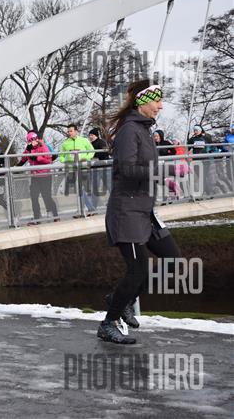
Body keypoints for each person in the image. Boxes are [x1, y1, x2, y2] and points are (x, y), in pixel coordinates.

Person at [99, 81, 182, 344]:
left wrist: (164, 181)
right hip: (127, 212)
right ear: (142, 102)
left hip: (145, 210)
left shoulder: (145, 130)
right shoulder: (129, 130)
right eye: (157, 101)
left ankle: (121, 298)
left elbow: (143, 169)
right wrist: (168, 170)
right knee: (138, 269)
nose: (161, 106)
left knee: (173, 260)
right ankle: (108, 323)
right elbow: (127, 170)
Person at [17, 131, 58, 224]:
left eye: (34, 139)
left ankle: (56, 215)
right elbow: (23, 159)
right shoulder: (28, 148)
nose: (33, 142)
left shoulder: (43, 146)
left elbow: (49, 160)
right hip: (35, 177)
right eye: (30, 141)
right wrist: (16, 167)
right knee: (34, 197)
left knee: (46, 197)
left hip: (45, 176)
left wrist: (37, 158)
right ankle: (37, 218)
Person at [59, 124, 96, 215]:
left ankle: (88, 209)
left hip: (83, 167)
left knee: (85, 189)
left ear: (76, 131)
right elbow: (61, 156)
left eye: (71, 131)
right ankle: (82, 209)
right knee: (78, 190)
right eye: (68, 131)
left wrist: (86, 158)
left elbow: (92, 151)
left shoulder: (84, 140)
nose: (69, 133)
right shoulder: (65, 143)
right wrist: (66, 160)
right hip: (72, 169)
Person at [187, 125, 214, 196]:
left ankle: (208, 192)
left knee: (204, 176)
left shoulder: (206, 138)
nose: (195, 132)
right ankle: (207, 192)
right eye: (194, 130)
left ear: (200, 131)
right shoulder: (192, 139)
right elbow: (187, 148)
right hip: (196, 160)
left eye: (196, 130)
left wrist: (210, 151)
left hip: (205, 160)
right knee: (201, 177)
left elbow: (212, 146)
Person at [88, 128, 110, 208]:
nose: (90, 137)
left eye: (92, 135)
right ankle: (94, 206)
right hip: (95, 169)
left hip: (104, 168)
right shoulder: (89, 144)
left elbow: (105, 152)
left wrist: (94, 155)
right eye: (89, 135)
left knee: (109, 186)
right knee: (95, 188)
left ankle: (113, 202)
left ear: (96, 135)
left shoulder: (101, 142)